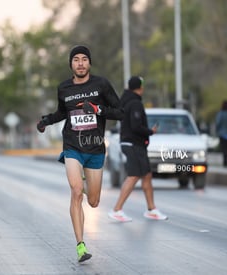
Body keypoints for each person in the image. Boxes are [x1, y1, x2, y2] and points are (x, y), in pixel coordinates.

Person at [36, 45, 123, 262]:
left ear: (90, 63)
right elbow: (62, 112)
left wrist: (97, 109)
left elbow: (121, 112)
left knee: (93, 201)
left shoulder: (101, 84)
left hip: (95, 149)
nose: (81, 63)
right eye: (76, 60)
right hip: (72, 146)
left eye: (85, 59)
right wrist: (47, 121)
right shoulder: (63, 88)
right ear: (71, 64)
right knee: (76, 191)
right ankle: (80, 246)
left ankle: (84, 182)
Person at [108, 76, 168, 222]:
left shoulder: (127, 101)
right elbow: (135, 126)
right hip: (133, 144)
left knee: (146, 175)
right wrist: (150, 131)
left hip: (134, 144)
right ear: (140, 87)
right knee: (134, 176)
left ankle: (151, 209)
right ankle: (117, 210)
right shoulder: (135, 103)